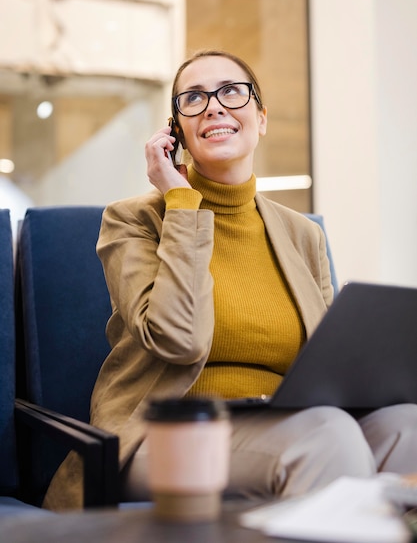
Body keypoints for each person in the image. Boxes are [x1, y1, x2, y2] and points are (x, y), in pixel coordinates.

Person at [44, 49, 417, 510]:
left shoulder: (305, 235)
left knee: (409, 427)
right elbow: (180, 339)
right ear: (175, 133)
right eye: (194, 98)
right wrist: (181, 202)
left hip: (282, 420)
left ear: (260, 119)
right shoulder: (133, 220)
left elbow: (324, 366)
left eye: (230, 92)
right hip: (165, 433)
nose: (214, 106)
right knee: (326, 437)